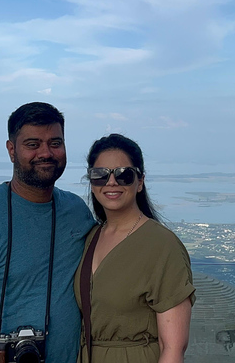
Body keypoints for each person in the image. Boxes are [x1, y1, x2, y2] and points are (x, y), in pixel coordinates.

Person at [0, 102, 96, 363]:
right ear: (11, 150)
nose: (45, 153)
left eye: (55, 143)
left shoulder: (77, 211)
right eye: (33, 144)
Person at [74, 134, 194, 363]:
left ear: (140, 182)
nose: (111, 182)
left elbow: (173, 348)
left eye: (123, 175)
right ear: (91, 182)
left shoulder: (162, 246)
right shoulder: (91, 237)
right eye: (100, 175)